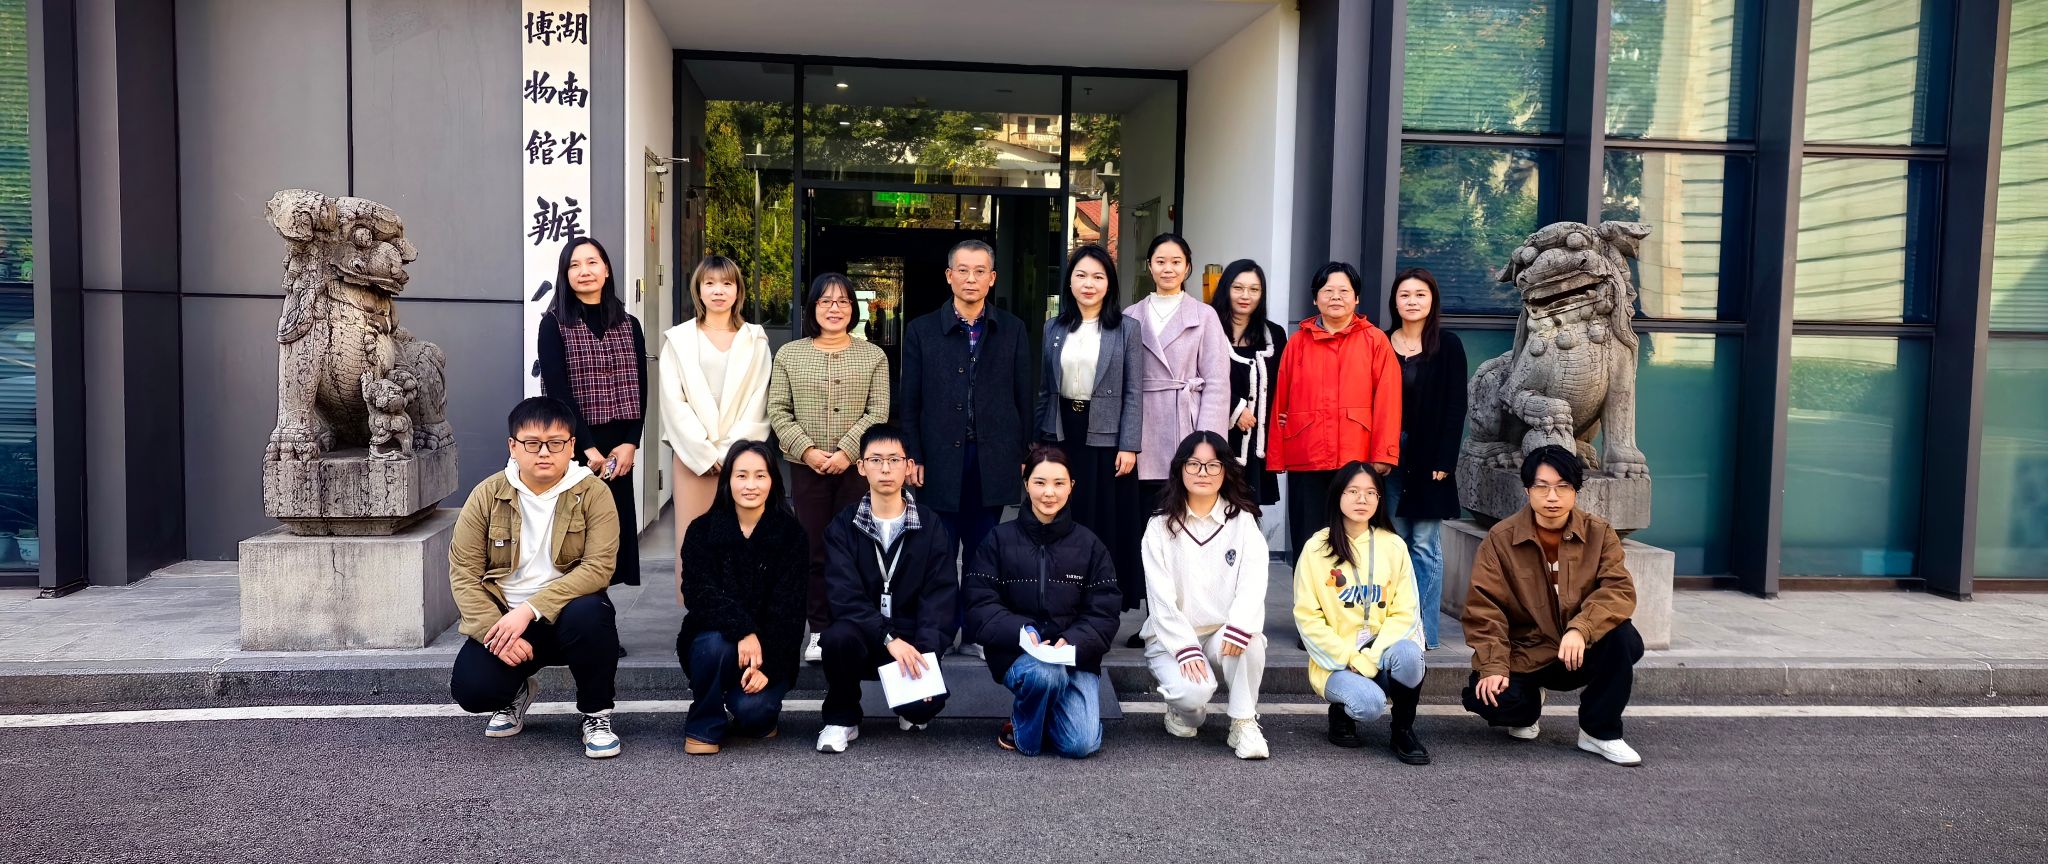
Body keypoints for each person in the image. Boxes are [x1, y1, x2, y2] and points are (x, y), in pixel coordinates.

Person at [448, 396, 622, 759]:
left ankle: (596, 714)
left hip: (567, 617)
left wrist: (530, 609)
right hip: (506, 621)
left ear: (571, 446)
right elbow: (464, 573)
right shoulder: (487, 495)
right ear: (513, 446)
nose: (544, 453)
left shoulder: (593, 493)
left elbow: (598, 567)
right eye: (532, 443)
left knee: (592, 615)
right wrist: (493, 631)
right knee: (473, 689)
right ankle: (515, 693)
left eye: (555, 443)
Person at [1461, 445, 1646, 767]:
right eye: (1542, 486)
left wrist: (1581, 628)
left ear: (1575, 491)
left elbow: (1618, 590)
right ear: (1527, 490)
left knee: (1623, 638)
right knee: (1491, 699)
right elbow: (1484, 609)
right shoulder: (1500, 539)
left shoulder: (1599, 533)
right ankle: (1530, 700)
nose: (1552, 497)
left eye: (1562, 486)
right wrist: (1493, 666)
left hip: (1577, 650)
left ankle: (1598, 731)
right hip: (1526, 653)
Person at [898, 239, 1034, 658]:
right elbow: (909, 401)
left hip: (993, 455)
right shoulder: (921, 330)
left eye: (980, 271)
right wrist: (913, 454)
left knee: (983, 548)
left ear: (992, 279)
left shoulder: (1012, 329)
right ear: (949, 276)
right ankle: (940, 633)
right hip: (939, 456)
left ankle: (977, 630)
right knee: (939, 549)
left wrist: (1024, 454)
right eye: (963, 270)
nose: (970, 279)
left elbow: (1024, 396)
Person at [964, 445, 1121, 758]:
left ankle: (1045, 711)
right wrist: (1022, 631)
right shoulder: (998, 539)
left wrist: (1072, 640)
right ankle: (1024, 730)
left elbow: (1104, 611)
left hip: (1074, 657)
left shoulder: (1090, 544)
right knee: (1045, 675)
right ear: (1026, 483)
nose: (1049, 492)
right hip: (1019, 653)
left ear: (1071, 486)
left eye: (1059, 483)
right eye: (1040, 482)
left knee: (1081, 744)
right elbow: (980, 603)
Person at [814, 424, 959, 753]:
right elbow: (844, 597)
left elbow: (940, 597)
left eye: (894, 460)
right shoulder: (843, 526)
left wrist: (925, 652)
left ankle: (909, 706)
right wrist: (888, 639)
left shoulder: (930, 525)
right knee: (836, 638)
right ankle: (841, 719)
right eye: (876, 460)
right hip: (864, 634)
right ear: (861, 467)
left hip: (911, 638)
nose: (885, 468)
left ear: (909, 466)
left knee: (922, 709)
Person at [770, 273, 892, 663]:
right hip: (807, 469)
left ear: (853, 309)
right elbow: (778, 410)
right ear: (812, 308)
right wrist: (807, 451)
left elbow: (878, 411)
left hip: (857, 469)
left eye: (842, 301)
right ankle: (820, 629)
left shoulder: (873, 356)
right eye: (825, 301)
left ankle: (854, 624)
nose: (834, 308)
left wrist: (846, 452)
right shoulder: (790, 354)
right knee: (813, 549)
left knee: (857, 548)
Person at [1140, 431, 1271, 760]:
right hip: (1171, 637)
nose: (1203, 473)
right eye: (1194, 464)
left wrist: (1239, 625)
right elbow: (1160, 600)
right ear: (1180, 469)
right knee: (1193, 699)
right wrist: (1184, 648)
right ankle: (1182, 711)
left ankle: (1243, 722)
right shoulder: (1159, 526)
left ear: (1225, 470)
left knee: (1250, 638)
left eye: (1213, 465)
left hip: (1219, 634)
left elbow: (1254, 582)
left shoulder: (1243, 521)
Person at [674, 440, 809, 755]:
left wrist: (767, 668)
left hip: (768, 652)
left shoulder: (791, 535)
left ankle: (747, 706)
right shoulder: (702, 529)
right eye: (742, 476)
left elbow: (789, 611)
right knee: (712, 645)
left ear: (773, 481)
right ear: (728, 481)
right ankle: (704, 725)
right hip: (717, 642)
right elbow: (697, 593)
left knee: (754, 714)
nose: (751, 485)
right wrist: (743, 631)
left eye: (760, 476)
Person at [1292, 461, 1429, 765]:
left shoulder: (1393, 545)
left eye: (1370, 492)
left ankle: (1403, 730)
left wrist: (1370, 658)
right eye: (1353, 491)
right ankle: (1341, 713)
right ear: (1338, 495)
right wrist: (1350, 658)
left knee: (1410, 654)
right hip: (1337, 662)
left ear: (1379, 499)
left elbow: (1405, 612)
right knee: (1369, 705)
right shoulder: (1316, 548)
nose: (1362, 499)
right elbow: (1307, 616)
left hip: (1379, 653)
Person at [1269, 261, 1402, 559]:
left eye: (1344, 291)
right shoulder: (1297, 342)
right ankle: (1308, 591)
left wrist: (1383, 454)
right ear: (1315, 298)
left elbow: (1388, 401)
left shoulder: (1375, 341)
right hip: (1307, 455)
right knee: (1308, 539)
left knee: (1355, 540)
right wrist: (1278, 453)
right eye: (1327, 291)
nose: (1336, 297)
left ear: (1357, 298)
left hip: (1357, 456)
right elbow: (1282, 400)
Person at [1037, 244, 1144, 612]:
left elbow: (1133, 392)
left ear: (1109, 283)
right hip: (1061, 431)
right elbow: (1045, 389)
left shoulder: (1127, 329)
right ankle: (1061, 598)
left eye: (1098, 276)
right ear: (1069, 282)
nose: (1089, 283)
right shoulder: (1053, 327)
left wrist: (1129, 444)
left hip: (1106, 437)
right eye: (1081, 275)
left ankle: (1102, 603)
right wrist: (1037, 443)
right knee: (1064, 515)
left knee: (1103, 521)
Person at [536, 237, 647, 589]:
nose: (584, 271)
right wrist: (587, 449)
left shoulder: (629, 324)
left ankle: (602, 613)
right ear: (565, 274)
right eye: (574, 265)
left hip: (618, 449)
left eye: (592, 262)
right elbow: (559, 393)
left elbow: (641, 387)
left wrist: (631, 443)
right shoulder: (553, 325)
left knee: (612, 532)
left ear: (606, 269)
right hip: (574, 446)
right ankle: (582, 614)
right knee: (578, 535)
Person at [660, 255, 772, 596]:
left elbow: (759, 400)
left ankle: (739, 609)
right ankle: (698, 609)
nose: (718, 290)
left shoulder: (755, 339)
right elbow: (673, 402)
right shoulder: (679, 339)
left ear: (738, 291)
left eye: (727, 283)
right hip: (693, 457)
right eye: (709, 283)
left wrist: (730, 454)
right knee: (694, 536)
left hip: (742, 461)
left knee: (741, 534)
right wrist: (705, 453)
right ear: (698, 290)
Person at [1384, 267, 1466, 650]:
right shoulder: (1382, 342)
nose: (1412, 301)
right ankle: (1397, 627)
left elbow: (1456, 405)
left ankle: (1424, 631)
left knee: (1424, 543)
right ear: (1394, 301)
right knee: (1396, 541)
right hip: (1389, 457)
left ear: (1432, 300)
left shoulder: (1447, 345)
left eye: (1420, 294)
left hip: (1430, 457)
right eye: (1405, 295)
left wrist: (1445, 459)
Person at [1128, 233, 1232, 507]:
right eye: (1160, 261)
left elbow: (1217, 384)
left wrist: (1207, 441)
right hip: (1142, 427)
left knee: (1184, 504)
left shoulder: (1205, 316)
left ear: (1187, 268)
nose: (1168, 269)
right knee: (1144, 506)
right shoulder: (1130, 316)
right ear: (1149, 266)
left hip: (1187, 422)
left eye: (1176, 262)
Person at [1209, 258, 1287, 507]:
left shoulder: (1274, 334)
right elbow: (1197, 377)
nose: (1246, 296)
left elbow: (1282, 383)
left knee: (1248, 512)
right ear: (1226, 289)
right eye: (1238, 288)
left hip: (1256, 443)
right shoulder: (1208, 327)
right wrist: (1234, 408)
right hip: (1216, 437)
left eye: (1254, 289)